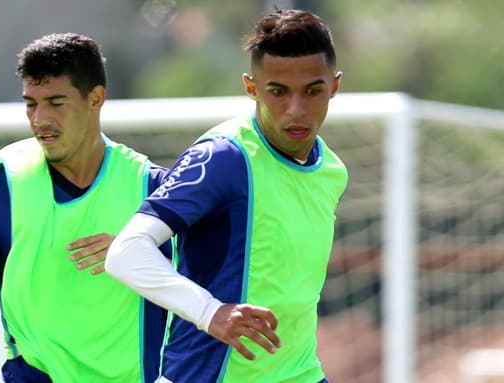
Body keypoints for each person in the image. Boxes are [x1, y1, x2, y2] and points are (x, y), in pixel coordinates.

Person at [0, 33, 170, 383]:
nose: (40, 118)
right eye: (31, 103)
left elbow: (213, 286)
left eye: (56, 102)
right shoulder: (3, 185)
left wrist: (139, 255)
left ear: (96, 99)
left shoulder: (152, 188)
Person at [104, 8, 348, 383]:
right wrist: (210, 312)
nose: (296, 110)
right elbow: (125, 252)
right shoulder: (224, 158)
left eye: (312, 91)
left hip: (300, 373)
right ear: (251, 88)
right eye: (278, 92)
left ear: (333, 86)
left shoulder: (331, 170)